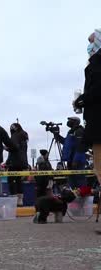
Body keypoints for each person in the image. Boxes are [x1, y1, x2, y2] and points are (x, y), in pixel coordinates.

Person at [74, 29, 101, 186]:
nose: (89, 47)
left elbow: (97, 88)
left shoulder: (97, 63)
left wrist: (82, 100)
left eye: (91, 42)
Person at [54, 117, 87, 189]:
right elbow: (66, 143)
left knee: (80, 181)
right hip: (70, 160)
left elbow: (81, 146)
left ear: (76, 122)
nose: (68, 122)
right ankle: (75, 198)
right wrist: (56, 135)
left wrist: (76, 160)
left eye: (70, 120)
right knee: (72, 182)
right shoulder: (71, 132)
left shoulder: (79, 131)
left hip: (78, 161)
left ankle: (84, 198)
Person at [6, 123, 29, 206]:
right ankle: (20, 200)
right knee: (19, 180)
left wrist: (6, 148)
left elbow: (14, 148)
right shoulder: (24, 135)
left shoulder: (15, 136)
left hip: (14, 161)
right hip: (22, 162)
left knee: (10, 179)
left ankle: (13, 198)